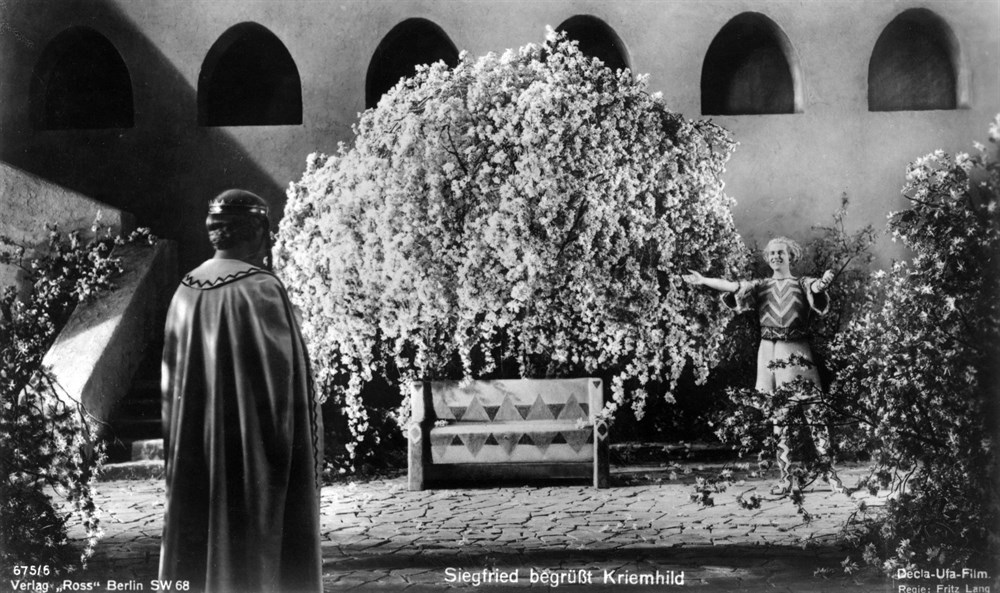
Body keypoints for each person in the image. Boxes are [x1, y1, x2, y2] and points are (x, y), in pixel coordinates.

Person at [159, 189, 324, 592]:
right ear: (256, 232)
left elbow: (172, 384)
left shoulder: (185, 290)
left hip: (195, 447)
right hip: (251, 453)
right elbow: (284, 385)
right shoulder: (261, 288)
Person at [682, 237, 845, 495]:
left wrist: (822, 283)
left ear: (791, 256)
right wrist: (703, 280)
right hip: (769, 353)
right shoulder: (760, 285)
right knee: (780, 418)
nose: (776, 257)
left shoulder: (801, 283)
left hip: (797, 351)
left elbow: (815, 287)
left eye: (781, 253)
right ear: (767, 259)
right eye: (771, 254)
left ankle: (830, 474)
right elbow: (733, 286)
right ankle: (785, 478)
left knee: (814, 413)